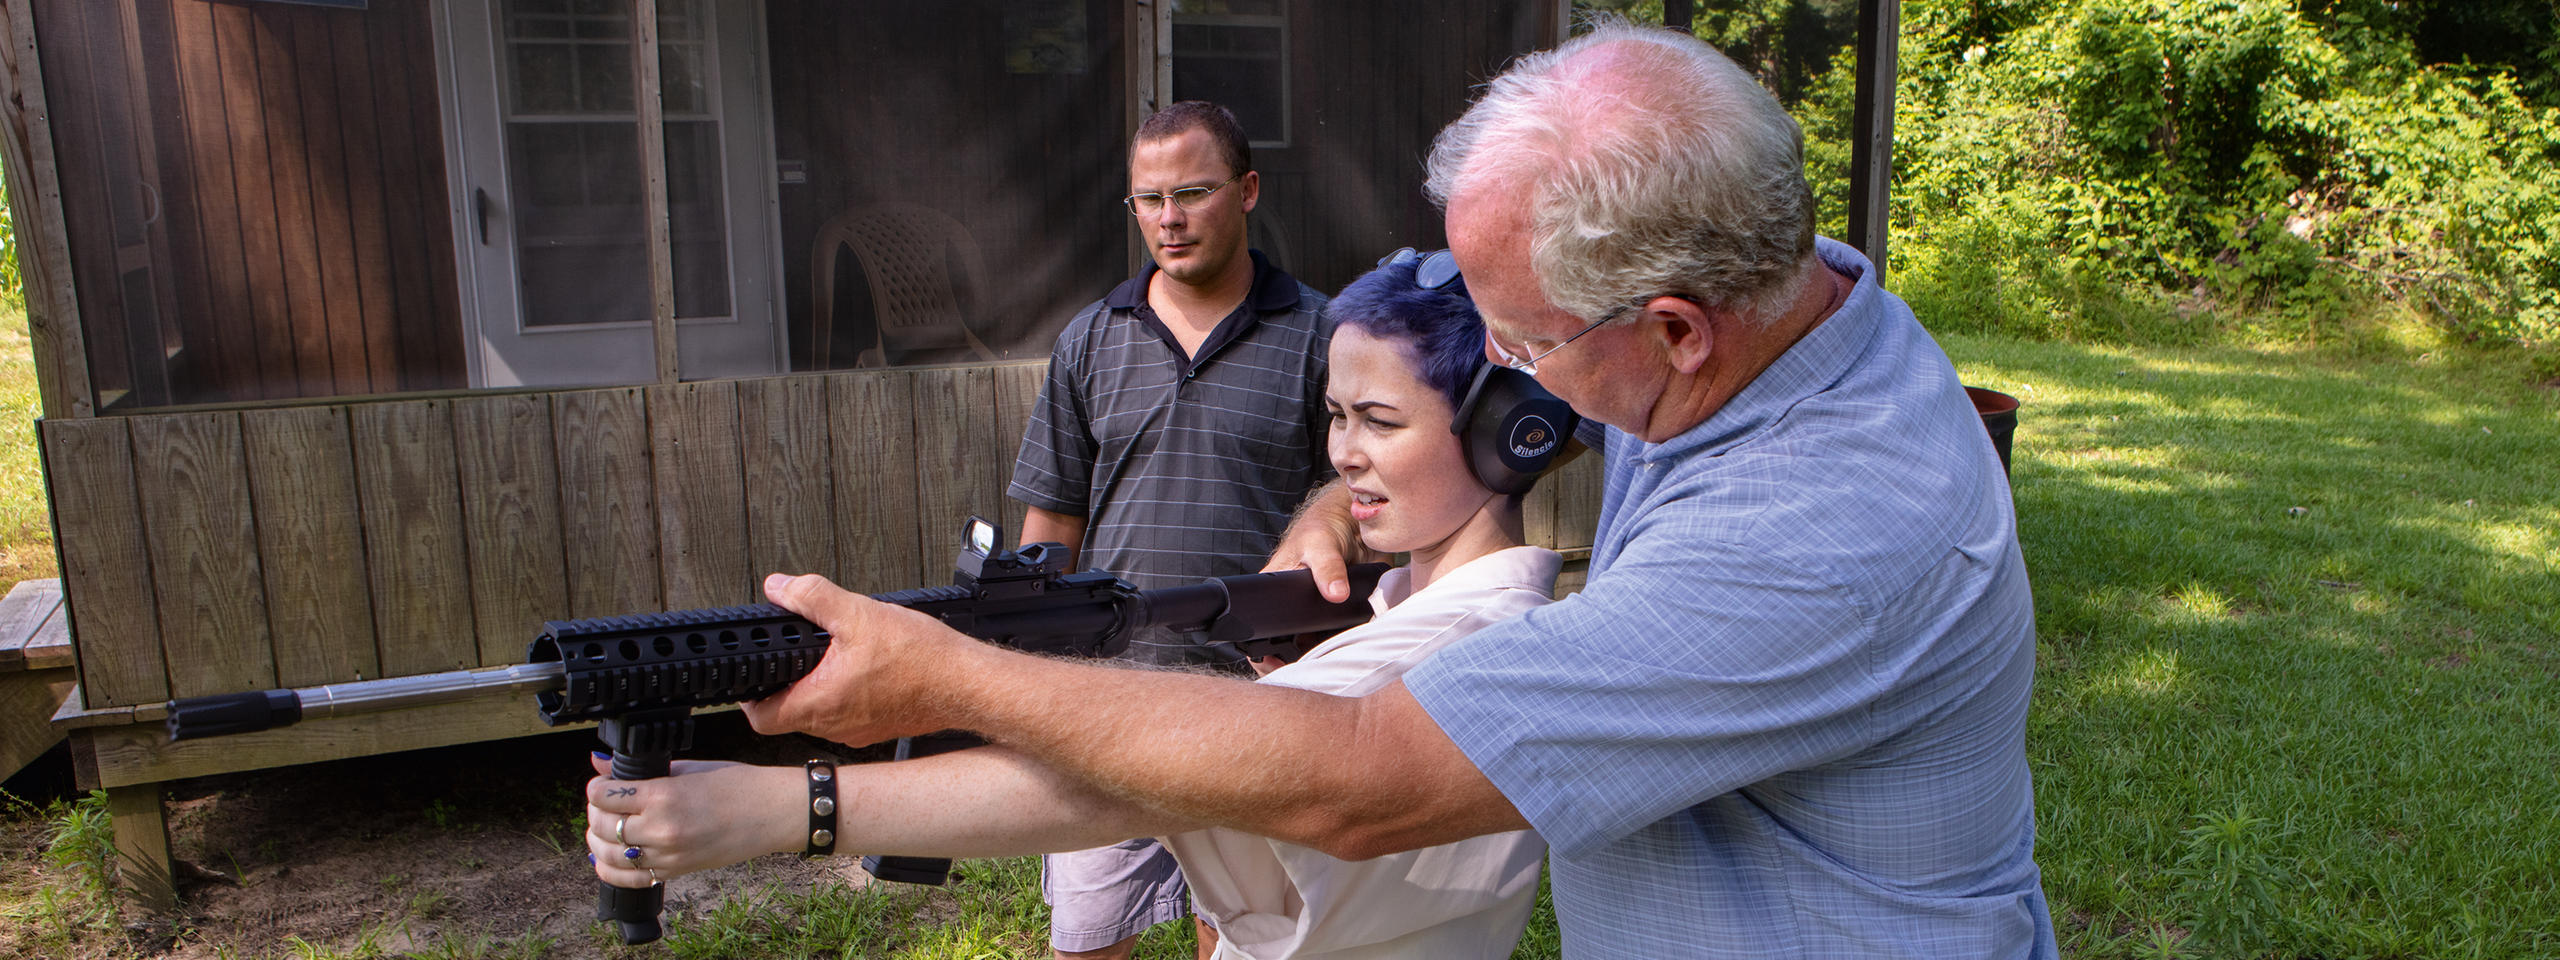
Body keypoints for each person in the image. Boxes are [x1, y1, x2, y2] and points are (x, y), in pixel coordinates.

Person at [611, 20, 2054, 958]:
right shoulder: (1784, 316)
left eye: (1524, 344)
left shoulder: (1823, 530)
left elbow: (1357, 781)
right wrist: (1339, 496)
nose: (1506, 378)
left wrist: (940, 683)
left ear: (1677, 326)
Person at [587, 252, 1560, 959]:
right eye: (1337, 417)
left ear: (1502, 438)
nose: (1345, 451)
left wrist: (779, 807)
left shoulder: (1464, 647)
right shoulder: (1397, 612)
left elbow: (1134, 778)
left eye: (1380, 422)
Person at [1010, 99, 1337, 958]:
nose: (1170, 218)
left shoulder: (1323, 335)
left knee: (1235, 939)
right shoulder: (1090, 338)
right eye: (1148, 199)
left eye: (1192, 191)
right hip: (1112, 698)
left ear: (1249, 190)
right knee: (1085, 939)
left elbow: (1356, 501)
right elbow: (1053, 520)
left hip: (1259, 698)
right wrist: (1031, 668)